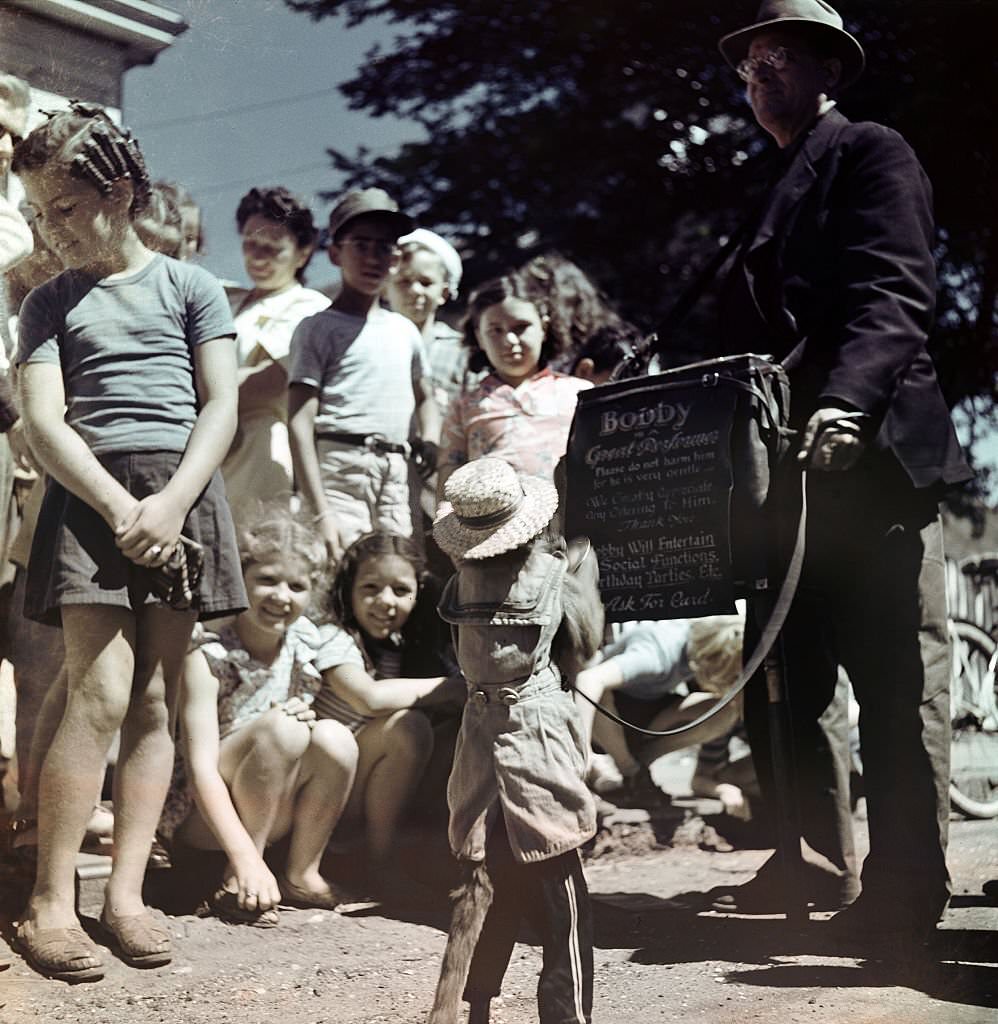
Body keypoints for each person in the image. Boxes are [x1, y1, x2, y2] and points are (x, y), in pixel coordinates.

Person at [711, 0, 972, 944]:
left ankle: (906, 890)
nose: (759, 76)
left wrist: (849, 399)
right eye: (749, 65)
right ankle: (814, 864)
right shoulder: (768, 184)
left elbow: (895, 291)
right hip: (784, 477)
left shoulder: (871, 151)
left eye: (780, 58)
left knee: (899, 679)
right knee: (787, 676)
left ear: (829, 70)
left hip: (871, 461)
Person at [11, 102, 245, 982]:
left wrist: (174, 505)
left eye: (61, 209)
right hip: (92, 504)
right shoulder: (49, 303)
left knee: (154, 699)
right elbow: (44, 422)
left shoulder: (193, 289)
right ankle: (49, 901)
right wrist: (120, 509)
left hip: (180, 501)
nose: (48, 228)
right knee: (99, 692)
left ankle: (127, 896)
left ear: (117, 193)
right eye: (36, 213)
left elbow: (219, 404)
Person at [428, 457, 603, 1024]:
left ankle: (471, 1002)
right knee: (558, 880)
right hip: (536, 728)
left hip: (481, 729)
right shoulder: (555, 574)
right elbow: (585, 647)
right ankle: (565, 1013)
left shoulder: (458, 583)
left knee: (485, 871)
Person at [161, 505, 356, 926]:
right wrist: (245, 855)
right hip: (203, 818)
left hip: (272, 802)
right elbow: (200, 771)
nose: (281, 596)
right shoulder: (209, 656)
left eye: (296, 585)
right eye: (266, 580)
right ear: (239, 580)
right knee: (285, 729)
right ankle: (240, 873)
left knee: (335, 737)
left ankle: (301, 872)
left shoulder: (303, 643)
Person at [288, 188, 440, 560]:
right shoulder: (318, 328)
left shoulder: (404, 330)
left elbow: (426, 397)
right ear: (336, 252)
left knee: (394, 571)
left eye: (385, 247)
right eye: (362, 245)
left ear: (398, 258)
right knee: (340, 570)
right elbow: (299, 421)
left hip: (396, 472)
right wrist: (320, 510)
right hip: (341, 469)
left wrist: (431, 439)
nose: (374, 258)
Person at [314, 531, 464, 892]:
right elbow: (368, 698)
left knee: (446, 730)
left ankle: (418, 852)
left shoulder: (402, 645)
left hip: (361, 785)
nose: (385, 602)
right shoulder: (333, 636)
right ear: (348, 589)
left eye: (400, 590)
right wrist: (453, 687)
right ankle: (380, 861)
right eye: (370, 588)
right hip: (322, 791)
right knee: (408, 726)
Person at [222, 186, 329, 523]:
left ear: (303, 253)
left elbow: (271, 381)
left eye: (273, 249)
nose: (257, 258)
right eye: (250, 245)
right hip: (208, 449)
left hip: (260, 451)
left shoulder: (309, 308)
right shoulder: (226, 298)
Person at [436, 274, 592, 503]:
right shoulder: (464, 404)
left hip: (572, 528)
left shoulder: (579, 394)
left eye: (521, 327)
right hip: (493, 532)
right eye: (495, 330)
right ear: (479, 336)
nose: (509, 340)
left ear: (544, 327)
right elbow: (449, 476)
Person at [574, 615, 747, 813]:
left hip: (643, 710)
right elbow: (588, 679)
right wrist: (582, 750)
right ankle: (629, 769)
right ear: (716, 656)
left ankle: (639, 769)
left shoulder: (691, 645)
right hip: (604, 721)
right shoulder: (657, 654)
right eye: (731, 673)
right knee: (599, 691)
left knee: (722, 710)